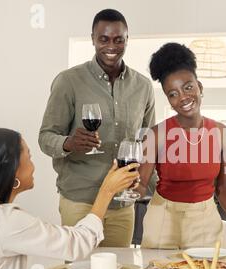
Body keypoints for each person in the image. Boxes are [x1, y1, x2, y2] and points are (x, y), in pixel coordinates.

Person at [0, 128, 139, 269]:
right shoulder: (4, 221)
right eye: (29, 157)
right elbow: (77, 244)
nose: (33, 166)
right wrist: (107, 191)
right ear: (12, 170)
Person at [38, 9, 155, 247]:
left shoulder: (143, 86)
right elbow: (45, 137)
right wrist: (68, 143)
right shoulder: (69, 81)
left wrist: (144, 183)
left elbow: (148, 142)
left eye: (118, 39)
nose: (111, 46)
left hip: (122, 203)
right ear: (93, 38)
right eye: (104, 39)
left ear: (126, 40)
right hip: (80, 200)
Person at [137, 43, 226, 251]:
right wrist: (128, 188)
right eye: (173, 94)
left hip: (205, 219)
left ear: (199, 87)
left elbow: (221, 188)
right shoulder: (156, 134)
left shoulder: (222, 133)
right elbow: (141, 186)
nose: (183, 97)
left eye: (188, 87)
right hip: (163, 218)